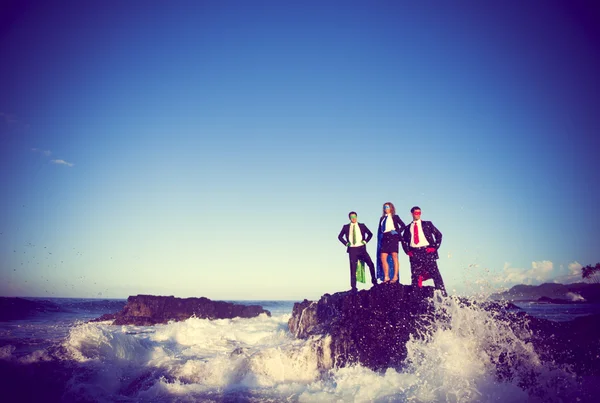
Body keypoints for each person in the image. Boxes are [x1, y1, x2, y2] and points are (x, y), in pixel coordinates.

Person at [401, 206, 447, 296]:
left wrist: (434, 247)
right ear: (412, 214)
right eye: (416, 213)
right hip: (414, 253)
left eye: (419, 213)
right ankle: (416, 297)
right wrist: (407, 251)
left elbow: (439, 235)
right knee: (415, 276)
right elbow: (403, 240)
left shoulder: (428, 224)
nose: (418, 215)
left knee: (435, 274)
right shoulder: (407, 228)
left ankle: (444, 296)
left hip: (427, 251)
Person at [338, 211, 377, 292]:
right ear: (349, 218)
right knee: (353, 268)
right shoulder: (345, 227)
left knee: (370, 264)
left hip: (362, 248)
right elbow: (340, 237)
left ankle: (374, 281)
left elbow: (370, 234)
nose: (353, 218)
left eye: (355, 217)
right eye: (352, 217)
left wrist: (365, 241)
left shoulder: (362, 225)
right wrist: (346, 243)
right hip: (352, 249)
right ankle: (354, 287)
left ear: (357, 217)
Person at [376, 202, 406, 283]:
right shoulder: (382, 218)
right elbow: (380, 229)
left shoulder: (395, 217)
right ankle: (386, 276)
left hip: (393, 237)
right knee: (383, 257)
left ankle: (395, 276)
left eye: (388, 207)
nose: (386, 209)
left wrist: (397, 232)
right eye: (385, 207)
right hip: (385, 237)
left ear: (391, 208)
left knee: (394, 256)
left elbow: (403, 225)